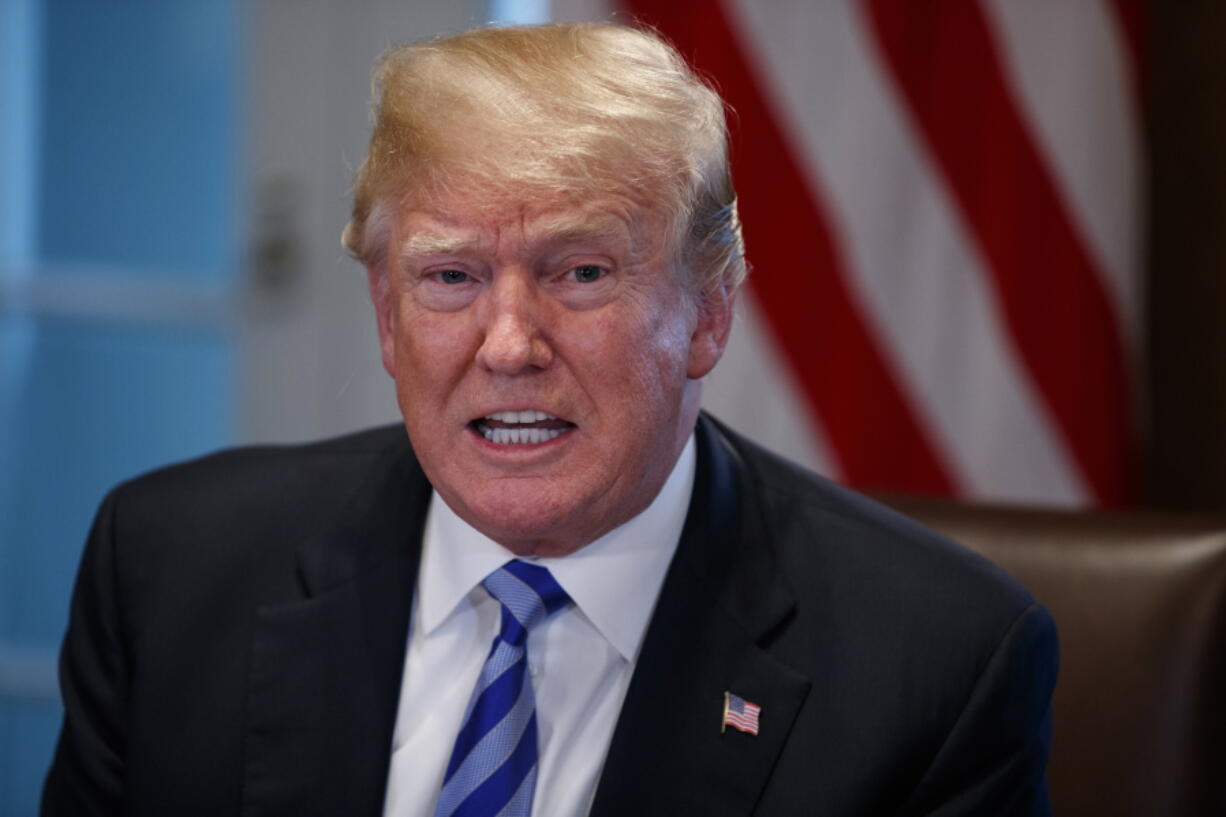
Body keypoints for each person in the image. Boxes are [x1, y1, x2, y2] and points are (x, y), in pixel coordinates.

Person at [42, 22, 1057, 817]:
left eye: (580, 273)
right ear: (385, 318)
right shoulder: (171, 569)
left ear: (707, 312)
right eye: (450, 277)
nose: (508, 344)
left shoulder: (936, 667)